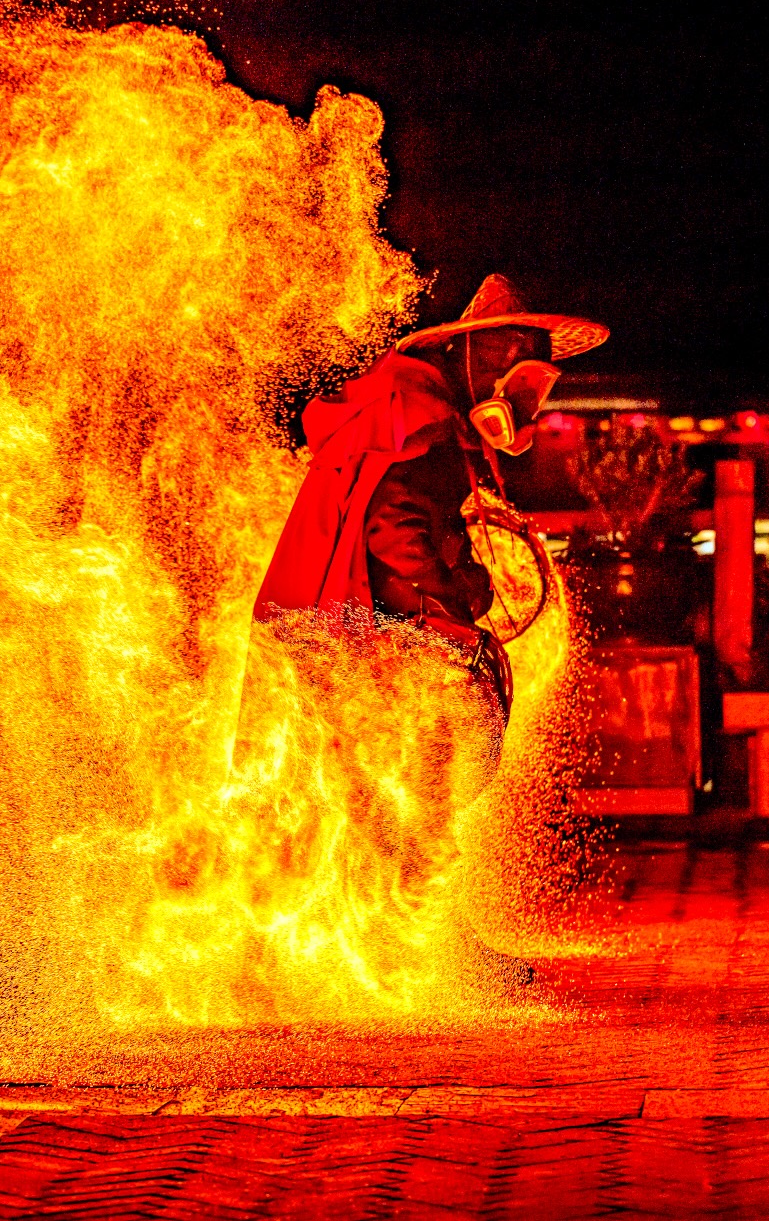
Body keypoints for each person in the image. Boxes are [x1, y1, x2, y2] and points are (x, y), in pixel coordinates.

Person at [251, 276, 608, 988]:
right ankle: (433, 949)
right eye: (520, 369)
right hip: (367, 630)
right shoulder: (422, 417)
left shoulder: (417, 412)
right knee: (444, 763)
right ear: (485, 354)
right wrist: (454, 612)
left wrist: (463, 581)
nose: (526, 400)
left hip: (337, 625)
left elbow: (414, 526)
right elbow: (394, 532)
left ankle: (405, 944)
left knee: (397, 797)